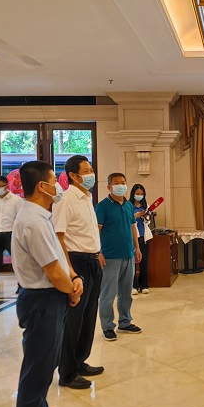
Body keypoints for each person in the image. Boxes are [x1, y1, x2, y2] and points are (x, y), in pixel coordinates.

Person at [11, 160, 82, 407]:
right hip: (42, 301)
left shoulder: (40, 216)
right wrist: (72, 289)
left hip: (50, 298)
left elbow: (58, 259)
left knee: (45, 365)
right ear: (42, 186)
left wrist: (73, 278)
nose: (59, 186)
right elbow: (52, 271)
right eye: (55, 181)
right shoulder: (34, 222)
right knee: (36, 373)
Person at [52, 155, 104, 389]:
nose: (91, 174)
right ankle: (67, 372)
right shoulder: (66, 199)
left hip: (92, 261)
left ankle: (80, 360)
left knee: (88, 316)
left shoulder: (87, 198)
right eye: (87, 170)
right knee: (73, 319)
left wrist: (98, 253)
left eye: (91, 169)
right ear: (73, 175)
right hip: (77, 263)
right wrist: (71, 271)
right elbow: (59, 237)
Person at [96, 173, 142, 342]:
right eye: (117, 183)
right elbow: (96, 231)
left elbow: (132, 227)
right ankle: (107, 327)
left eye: (123, 182)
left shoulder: (128, 205)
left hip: (128, 254)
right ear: (109, 187)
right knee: (108, 294)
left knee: (126, 292)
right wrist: (99, 253)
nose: (121, 185)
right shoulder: (102, 207)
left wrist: (137, 248)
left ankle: (125, 321)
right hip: (110, 257)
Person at [130, 183, 151, 295]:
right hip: (132, 237)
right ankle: (133, 285)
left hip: (144, 236)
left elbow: (149, 221)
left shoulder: (145, 206)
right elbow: (126, 220)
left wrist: (145, 216)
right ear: (133, 194)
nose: (139, 195)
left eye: (141, 194)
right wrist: (135, 216)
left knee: (144, 262)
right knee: (132, 262)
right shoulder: (128, 206)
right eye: (137, 193)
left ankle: (144, 285)